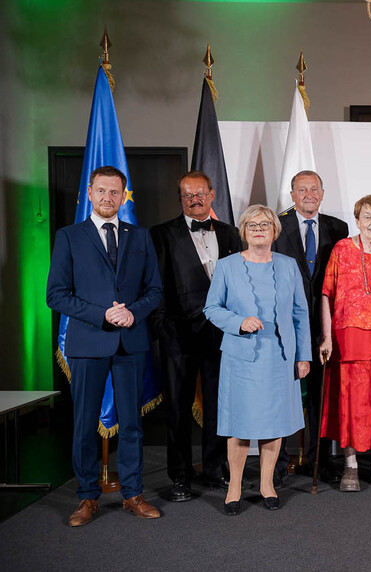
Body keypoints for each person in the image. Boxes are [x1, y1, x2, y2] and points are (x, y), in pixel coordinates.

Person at [46, 165, 163, 526]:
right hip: (87, 343)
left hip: (131, 343)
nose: (108, 198)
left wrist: (133, 313)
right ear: (90, 193)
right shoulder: (69, 236)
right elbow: (56, 295)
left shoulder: (140, 237)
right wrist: (103, 315)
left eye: (115, 192)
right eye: (101, 191)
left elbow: (155, 290)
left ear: (123, 195)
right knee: (84, 425)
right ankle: (86, 498)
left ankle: (132, 494)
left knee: (131, 425)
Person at [203, 204, 312, 515]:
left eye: (265, 224)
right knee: (239, 425)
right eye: (252, 225)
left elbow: (300, 314)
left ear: (275, 231)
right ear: (244, 231)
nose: (259, 229)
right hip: (241, 359)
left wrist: (303, 355)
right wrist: (239, 321)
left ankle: (267, 485)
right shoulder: (226, 267)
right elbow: (211, 309)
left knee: (273, 424)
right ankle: (234, 488)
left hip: (279, 358)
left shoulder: (289, 265)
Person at [150, 170, 242, 502]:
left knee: (220, 406)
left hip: (222, 335)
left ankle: (215, 468)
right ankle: (181, 476)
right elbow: (155, 284)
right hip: (178, 334)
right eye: (188, 195)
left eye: (200, 193)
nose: (195, 200)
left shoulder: (232, 234)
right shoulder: (161, 234)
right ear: (181, 199)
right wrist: (162, 326)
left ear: (212, 194)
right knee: (177, 408)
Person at [272, 170, 349, 485]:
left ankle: (320, 460)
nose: (308, 194)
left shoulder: (338, 228)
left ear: (322, 193)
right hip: (286, 325)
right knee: (283, 394)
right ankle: (277, 464)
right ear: (292, 195)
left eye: (314, 189)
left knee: (321, 395)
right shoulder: (276, 225)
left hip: (326, 325)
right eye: (301, 189)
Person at [319, 195, 371, 492]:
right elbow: (326, 293)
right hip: (347, 337)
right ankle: (350, 465)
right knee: (349, 401)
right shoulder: (342, 249)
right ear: (357, 220)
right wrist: (326, 337)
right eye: (367, 217)